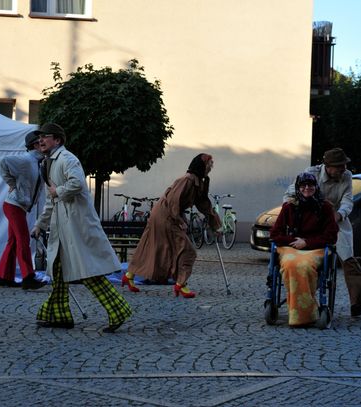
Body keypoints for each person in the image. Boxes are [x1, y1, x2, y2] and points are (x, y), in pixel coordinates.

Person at [30, 123, 132, 333]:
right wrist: (41, 223)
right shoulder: (50, 163)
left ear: (57, 140)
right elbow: (53, 198)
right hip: (63, 228)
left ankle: (118, 309)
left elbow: (76, 185)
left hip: (77, 225)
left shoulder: (67, 159)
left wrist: (57, 191)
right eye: (39, 137)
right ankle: (59, 315)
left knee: (87, 271)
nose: (40, 140)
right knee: (58, 270)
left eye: (45, 137)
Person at [123, 153, 221, 297]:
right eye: (209, 165)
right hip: (166, 215)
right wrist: (179, 221)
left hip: (165, 215)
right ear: (201, 166)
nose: (211, 168)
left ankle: (129, 276)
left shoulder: (199, 181)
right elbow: (173, 200)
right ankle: (181, 284)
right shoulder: (187, 180)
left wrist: (215, 224)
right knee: (188, 251)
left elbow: (203, 203)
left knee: (151, 247)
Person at [284, 148, 361, 318]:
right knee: (312, 255)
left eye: (344, 165)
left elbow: (348, 199)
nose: (343, 168)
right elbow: (290, 194)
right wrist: (294, 212)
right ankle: (306, 295)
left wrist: (339, 214)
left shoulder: (347, 175)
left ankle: (357, 303)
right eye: (339, 166)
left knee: (349, 260)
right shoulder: (310, 174)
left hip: (336, 219)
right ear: (328, 166)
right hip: (311, 220)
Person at [272, 172, 338, 326]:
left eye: (310, 185)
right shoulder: (289, 207)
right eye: (303, 185)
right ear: (297, 188)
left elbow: (331, 236)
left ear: (316, 187)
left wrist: (307, 242)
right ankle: (303, 311)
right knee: (289, 264)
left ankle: (302, 314)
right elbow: (275, 234)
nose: (307, 188)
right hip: (292, 247)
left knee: (304, 265)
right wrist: (294, 241)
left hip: (316, 247)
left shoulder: (325, 207)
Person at [0, 131, 46, 289]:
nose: (43, 144)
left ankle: (4, 277)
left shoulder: (38, 162)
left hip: (17, 206)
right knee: (23, 240)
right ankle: (28, 277)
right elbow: (3, 161)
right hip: (14, 205)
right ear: (34, 145)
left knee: (13, 241)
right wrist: (11, 182)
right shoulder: (26, 160)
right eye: (40, 142)